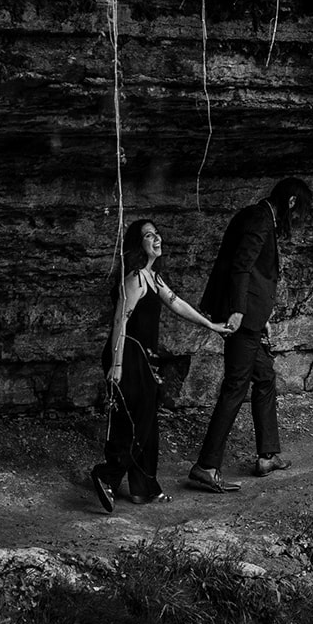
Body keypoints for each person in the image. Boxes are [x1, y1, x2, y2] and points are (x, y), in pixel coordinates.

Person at [90, 218, 231, 512]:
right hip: (126, 355)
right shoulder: (135, 278)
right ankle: (107, 475)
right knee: (134, 422)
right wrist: (116, 366)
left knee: (148, 423)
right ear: (137, 244)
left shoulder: (153, 278)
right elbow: (120, 321)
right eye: (149, 235)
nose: (157, 238)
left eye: (157, 234)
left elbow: (178, 303)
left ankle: (144, 488)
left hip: (144, 359)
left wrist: (211, 325)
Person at [187, 178, 313, 493]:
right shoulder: (259, 219)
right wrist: (239, 312)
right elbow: (241, 267)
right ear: (292, 202)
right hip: (242, 320)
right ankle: (206, 466)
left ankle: (267, 454)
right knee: (235, 387)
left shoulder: (254, 216)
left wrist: (259, 318)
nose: (295, 223)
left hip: (250, 320)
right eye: (298, 215)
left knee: (265, 377)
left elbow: (251, 272)